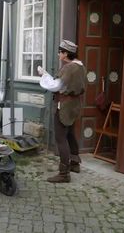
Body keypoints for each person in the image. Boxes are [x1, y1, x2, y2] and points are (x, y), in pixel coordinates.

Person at [38, 40, 87, 183]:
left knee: (61, 138)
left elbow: (55, 86)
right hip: (74, 105)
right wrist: (47, 74)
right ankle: (75, 163)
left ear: (66, 54)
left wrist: (43, 75)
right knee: (70, 134)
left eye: (60, 51)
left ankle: (64, 174)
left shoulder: (68, 68)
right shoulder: (81, 66)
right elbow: (63, 84)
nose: (59, 54)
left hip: (64, 106)